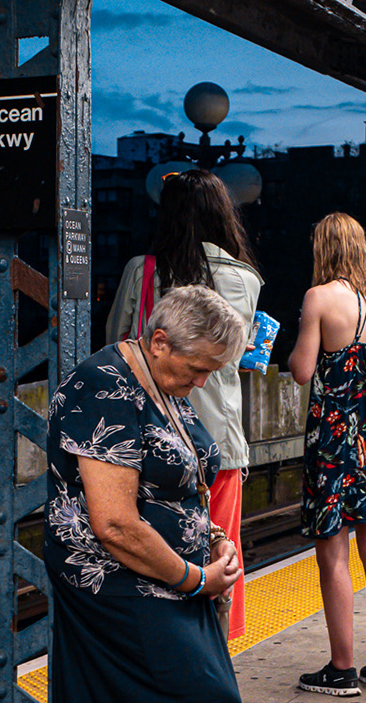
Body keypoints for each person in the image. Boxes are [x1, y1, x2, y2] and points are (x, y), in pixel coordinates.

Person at [46, 285, 312, 703]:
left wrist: (213, 539)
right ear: (159, 340)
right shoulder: (103, 388)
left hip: (175, 582)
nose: (201, 382)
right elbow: (113, 522)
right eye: (196, 368)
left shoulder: (162, 384)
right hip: (119, 587)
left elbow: (183, 480)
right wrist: (195, 576)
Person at [105, 169, 262, 642]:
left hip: (146, 439)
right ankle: (216, 656)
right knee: (222, 553)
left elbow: (116, 342)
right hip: (219, 440)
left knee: (154, 551)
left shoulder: (143, 271)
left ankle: (165, 650)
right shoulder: (245, 278)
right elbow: (239, 355)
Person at [289, 212, 366, 694]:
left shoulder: (319, 297)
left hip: (335, 440)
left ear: (324, 248)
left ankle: (341, 668)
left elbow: (303, 370)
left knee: (333, 555)